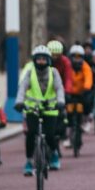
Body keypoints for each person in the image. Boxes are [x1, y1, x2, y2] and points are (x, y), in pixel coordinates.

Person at [16, 45, 65, 175]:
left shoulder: (54, 72)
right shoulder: (30, 72)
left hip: (51, 109)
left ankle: (54, 154)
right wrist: (19, 102)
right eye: (39, 59)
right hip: (33, 109)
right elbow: (22, 88)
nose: (41, 61)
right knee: (31, 133)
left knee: (50, 135)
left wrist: (60, 102)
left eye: (44, 59)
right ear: (34, 60)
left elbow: (59, 88)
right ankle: (29, 161)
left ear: (48, 60)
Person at [64, 44, 94, 146]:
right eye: (74, 57)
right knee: (67, 111)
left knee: (88, 101)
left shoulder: (86, 67)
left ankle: (86, 118)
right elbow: (65, 78)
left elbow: (88, 79)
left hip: (82, 93)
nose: (77, 60)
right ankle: (68, 134)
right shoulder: (68, 67)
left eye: (79, 57)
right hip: (70, 93)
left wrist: (86, 88)